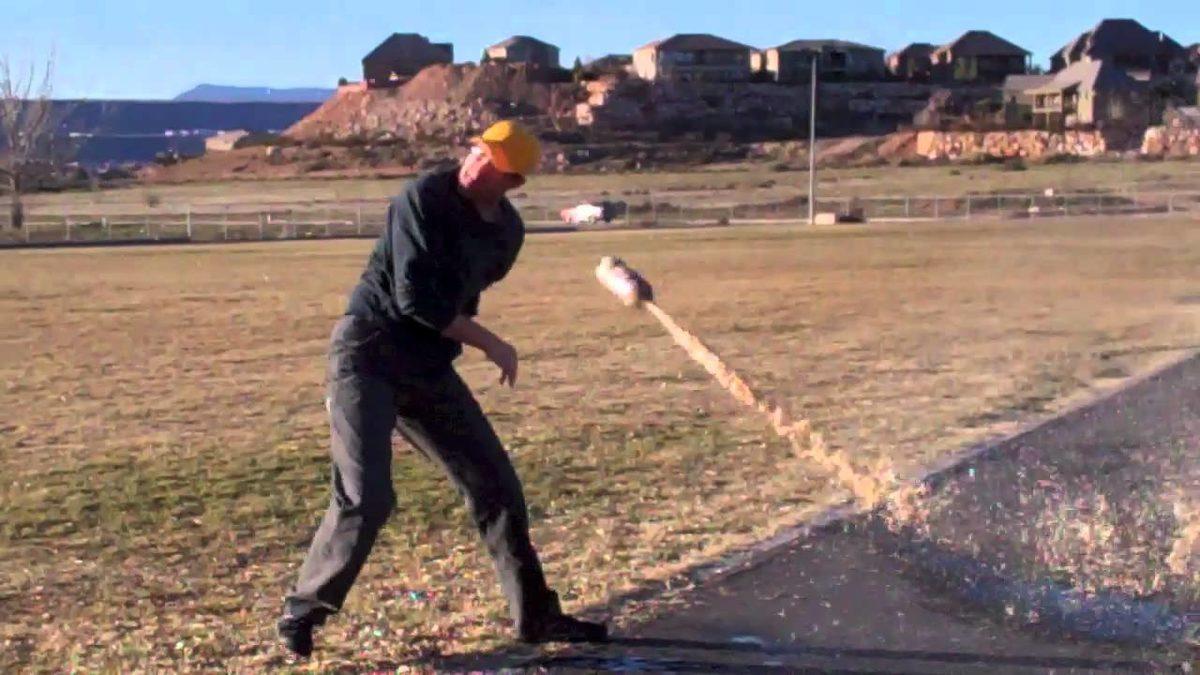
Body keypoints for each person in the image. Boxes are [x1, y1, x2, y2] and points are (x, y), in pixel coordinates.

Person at [277, 120, 608, 657]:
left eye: (492, 162)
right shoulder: (424, 197)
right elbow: (419, 302)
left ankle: (538, 618)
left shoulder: (507, 233)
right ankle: (303, 610)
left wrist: (467, 333)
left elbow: (462, 295)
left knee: (496, 486)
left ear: (512, 182)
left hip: (428, 366)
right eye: (478, 150)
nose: (475, 162)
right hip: (369, 352)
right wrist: (492, 343)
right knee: (368, 495)